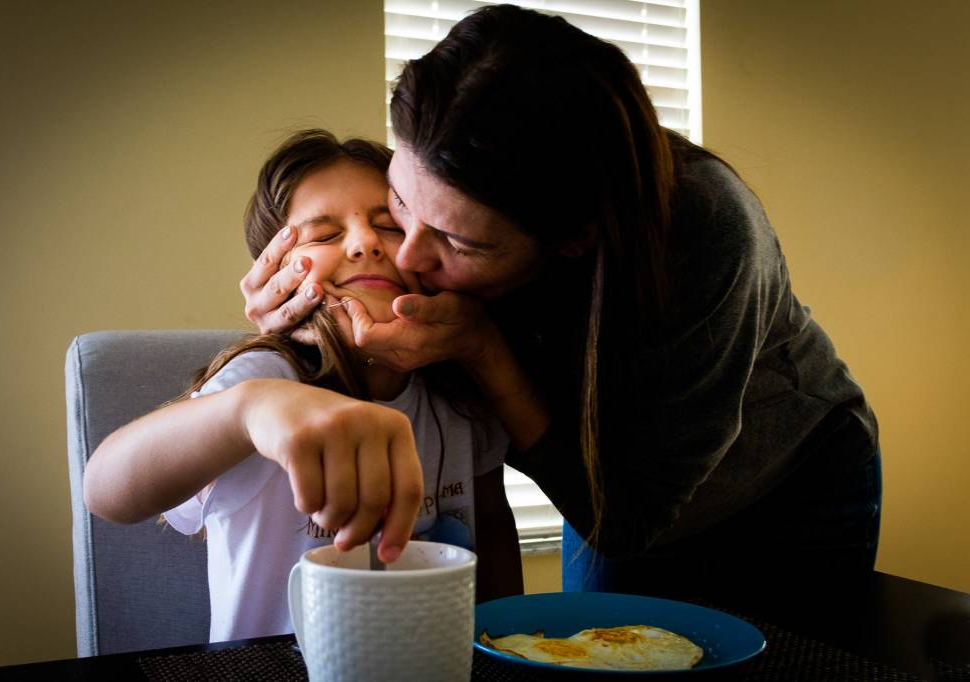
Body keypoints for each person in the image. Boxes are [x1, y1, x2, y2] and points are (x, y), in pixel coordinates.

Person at [240, 5, 881, 605]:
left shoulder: (707, 230)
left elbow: (627, 520)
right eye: (402, 204)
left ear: (574, 241)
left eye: (456, 241)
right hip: (595, 484)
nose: (404, 259)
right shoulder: (432, 222)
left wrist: (482, 348)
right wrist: (309, 324)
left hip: (781, 489)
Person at [83, 129, 523, 643]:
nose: (363, 244)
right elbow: (106, 491)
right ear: (274, 271)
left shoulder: (458, 385)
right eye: (322, 235)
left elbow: (490, 526)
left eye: (388, 225)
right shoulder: (269, 377)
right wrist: (247, 410)